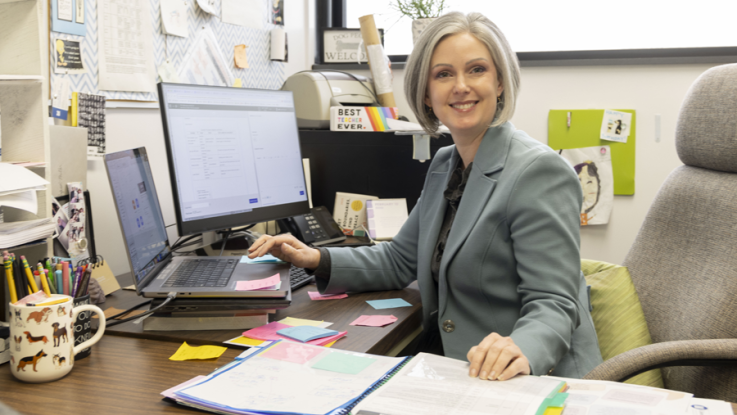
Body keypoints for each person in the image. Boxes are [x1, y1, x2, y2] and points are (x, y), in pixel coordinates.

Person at [248, 11, 602, 381]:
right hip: (458, 364)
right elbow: (401, 259)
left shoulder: (537, 172)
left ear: (500, 83)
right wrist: (314, 258)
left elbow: (555, 303)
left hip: (530, 377)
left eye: (477, 69)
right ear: (427, 94)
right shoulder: (446, 163)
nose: (460, 86)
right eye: (444, 74)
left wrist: (521, 348)